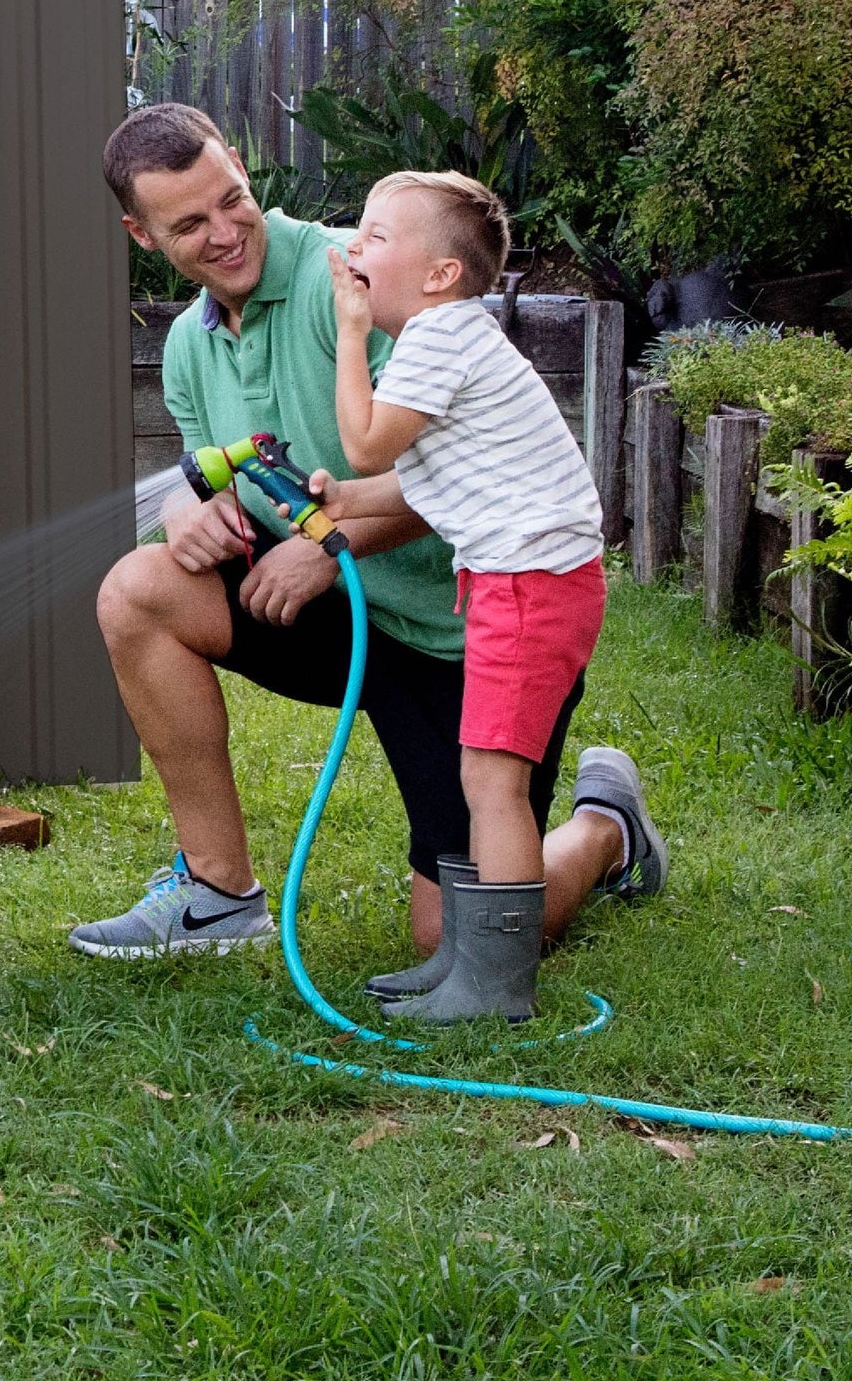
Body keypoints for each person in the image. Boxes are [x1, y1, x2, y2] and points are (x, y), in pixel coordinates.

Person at [70, 104, 662, 977]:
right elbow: (219, 476)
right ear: (142, 234)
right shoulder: (190, 349)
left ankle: (605, 829)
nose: (226, 232)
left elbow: (465, 472)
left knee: (453, 934)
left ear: (239, 164)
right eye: (190, 224)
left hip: (460, 630)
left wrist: (321, 547)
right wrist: (190, 516)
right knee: (138, 587)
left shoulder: (363, 279)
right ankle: (217, 892)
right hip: (340, 623)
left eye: (231, 199)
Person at [309, 169, 632, 1021]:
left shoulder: (439, 336)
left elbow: (368, 443)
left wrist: (348, 337)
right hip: (522, 579)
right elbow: (415, 478)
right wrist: (338, 500)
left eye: (377, 236)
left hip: (530, 584)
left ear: (441, 274)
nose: (355, 249)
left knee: (494, 781)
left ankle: (496, 985)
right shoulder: (453, 340)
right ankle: (464, 958)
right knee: (480, 773)